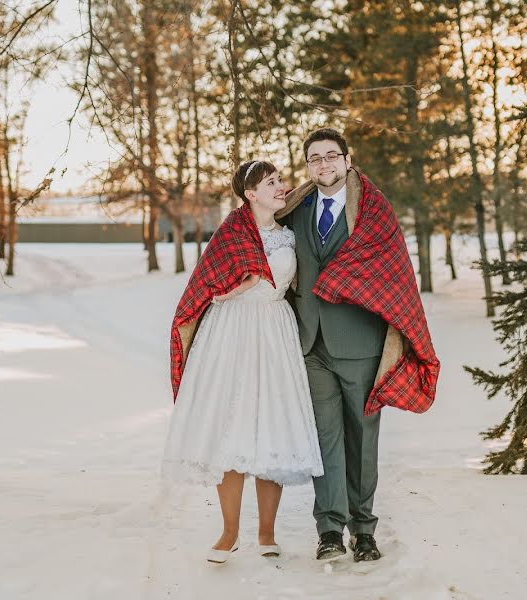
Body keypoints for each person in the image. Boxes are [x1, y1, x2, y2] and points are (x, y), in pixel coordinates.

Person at [276, 128, 441, 562]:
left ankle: (364, 531)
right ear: (307, 165)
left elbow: (392, 270)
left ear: (347, 161)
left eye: (332, 156)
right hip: (311, 344)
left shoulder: (372, 209)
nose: (324, 164)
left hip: (360, 342)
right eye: (315, 158)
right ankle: (329, 529)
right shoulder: (295, 210)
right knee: (324, 440)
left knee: (362, 440)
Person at [164, 160, 323, 564]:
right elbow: (208, 288)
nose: (281, 187)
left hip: (275, 331)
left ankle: (267, 533)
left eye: (281, 180)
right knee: (230, 428)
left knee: (271, 425)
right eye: (271, 182)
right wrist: (239, 288)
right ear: (251, 193)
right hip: (232, 332)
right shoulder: (230, 233)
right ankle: (229, 532)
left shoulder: (289, 236)